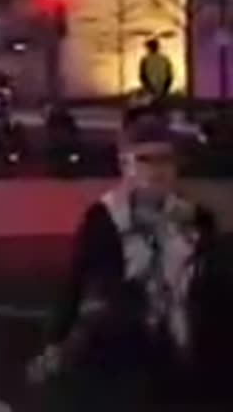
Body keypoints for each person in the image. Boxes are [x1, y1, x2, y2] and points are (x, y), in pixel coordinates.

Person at [28, 115, 223, 406]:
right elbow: (76, 282)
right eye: (146, 160)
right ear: (125, 166)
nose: (158, 170)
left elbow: (215, 288)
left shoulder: (197, 219)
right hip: (127, 351)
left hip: (187, 350)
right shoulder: (104, 219)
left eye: (166, 160)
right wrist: (55, 343)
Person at [139, 39, 174, 114]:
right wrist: (166, 88)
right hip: (161, 88)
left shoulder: (145, 60)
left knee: (152, 106)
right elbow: (170, 75)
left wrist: (148, 87)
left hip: (151, 88)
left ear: (148, 48)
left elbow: (142, 76)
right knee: (160, 107)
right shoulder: (165, 59)